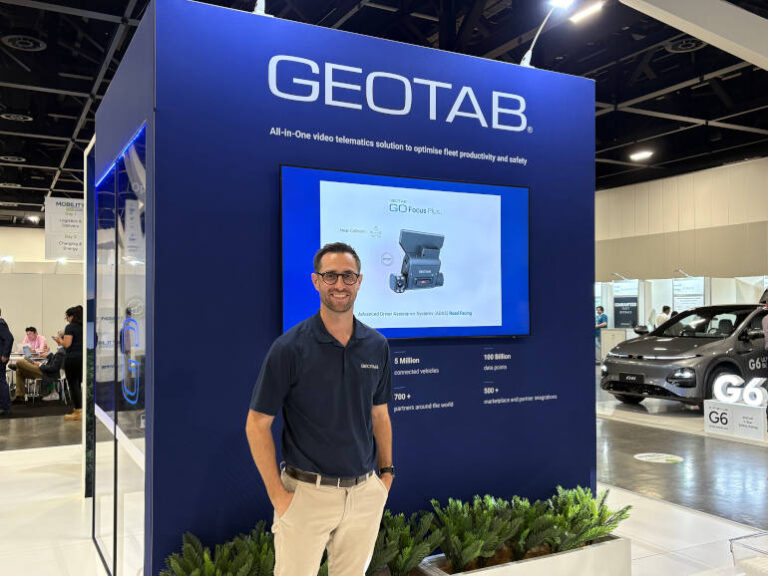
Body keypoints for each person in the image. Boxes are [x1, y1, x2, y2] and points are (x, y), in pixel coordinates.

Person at [245, 242, 393, 576]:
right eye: (330, 276)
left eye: (348, 276)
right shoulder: (289, 348)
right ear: (316, 281)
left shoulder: (377, 346)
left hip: (364, 495)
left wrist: (385, 476)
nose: (340, 284)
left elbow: (379, 415)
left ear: (359, 281)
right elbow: (256, 424)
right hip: (305, 496)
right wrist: (279, 497)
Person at [53, 305, 83, 421]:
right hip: (82, 358)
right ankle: (81, 410)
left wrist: (59, 340)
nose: (67, 320)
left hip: (72, 358)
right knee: (79, 384)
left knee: (73, 385)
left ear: (72, 316)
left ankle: (78, 411)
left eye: (67, 317)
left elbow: (67, 344)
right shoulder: (84, 326)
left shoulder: (70, 327)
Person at [0, 308, 14, 417]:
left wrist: (5, 355)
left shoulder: (1, 324)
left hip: (1, 358)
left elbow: (9, 338)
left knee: (1, 381)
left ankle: (5, 407)